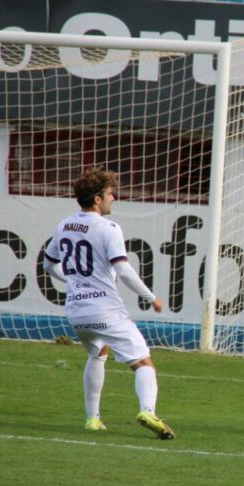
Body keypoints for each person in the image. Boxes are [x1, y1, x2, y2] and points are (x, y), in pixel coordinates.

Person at [43, 168, 175, 439]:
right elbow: (124, 271)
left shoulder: (63, 225)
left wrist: (72, 282)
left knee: (98, 353)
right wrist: (151, 298)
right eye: (108, 194)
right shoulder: (108, 228)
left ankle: (92, 418)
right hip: (105, 309)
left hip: (76, 311)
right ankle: (147, 410)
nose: (113, 197)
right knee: (143, 363)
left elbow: (48, 264)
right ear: (96, 199)